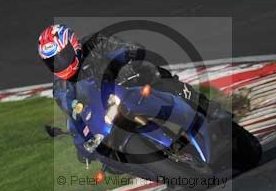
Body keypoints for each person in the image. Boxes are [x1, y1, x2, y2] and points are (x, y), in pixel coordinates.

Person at [37, 24, 219, 163]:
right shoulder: (60, 87)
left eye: (62, 56)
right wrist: (80, 134)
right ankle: (153, 166)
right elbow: (72, 110)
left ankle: (207, 107)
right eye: (52, 62)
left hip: (128, 86)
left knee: (157, 76)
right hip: (105, 115)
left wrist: (125, 64)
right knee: (101, 156)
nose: (59, 64)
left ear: (73, 44)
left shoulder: (95, 43)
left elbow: (127, 48)